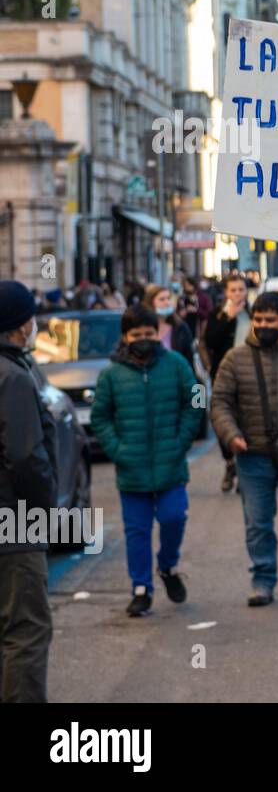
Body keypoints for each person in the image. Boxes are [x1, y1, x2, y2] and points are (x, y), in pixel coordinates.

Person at [90, 304, 203, 617]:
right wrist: (117, 449)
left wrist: (182, 440)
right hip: (132, 469)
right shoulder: (111, 375)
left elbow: (196, 398)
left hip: (170, 464)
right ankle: (141, 588)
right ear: (125, 336)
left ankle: (167, 566)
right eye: (137, 334)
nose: (144, 339)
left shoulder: (177, 364)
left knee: (174, 517)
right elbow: (100, 417)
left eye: (149, 333)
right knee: (136, 531)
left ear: (158, 333)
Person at [211, 292, 278, 607]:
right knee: (257, 522)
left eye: (270, 320)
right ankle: (262, 579)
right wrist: (230, 435)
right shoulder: (235, 358)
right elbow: (220, 402)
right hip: (252, 456)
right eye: (257, 320)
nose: (262, 325)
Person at [0, 282, 57, 701]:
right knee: (26, 632)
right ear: (21, 326)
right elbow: (26, 458)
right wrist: (43, 513)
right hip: (14, 528)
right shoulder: (13, 377)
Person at [204, 273, 252, 493]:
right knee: (222, 419)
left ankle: (242, 471)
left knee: (245, 420)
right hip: (223, 375)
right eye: (233, 290)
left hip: (249, 374)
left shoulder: (253, 313)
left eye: (241, 289)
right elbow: (211, 341)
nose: (237, 294)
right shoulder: (217, 314)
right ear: (226, 293)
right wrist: (228, 318)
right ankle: (229, 463)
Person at [143, 283, 196, 367]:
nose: (167, 303)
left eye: (168, 298)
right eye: (162, 299)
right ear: (151, 303)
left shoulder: (180, 327)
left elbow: (188, 360)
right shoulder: (142, 327)